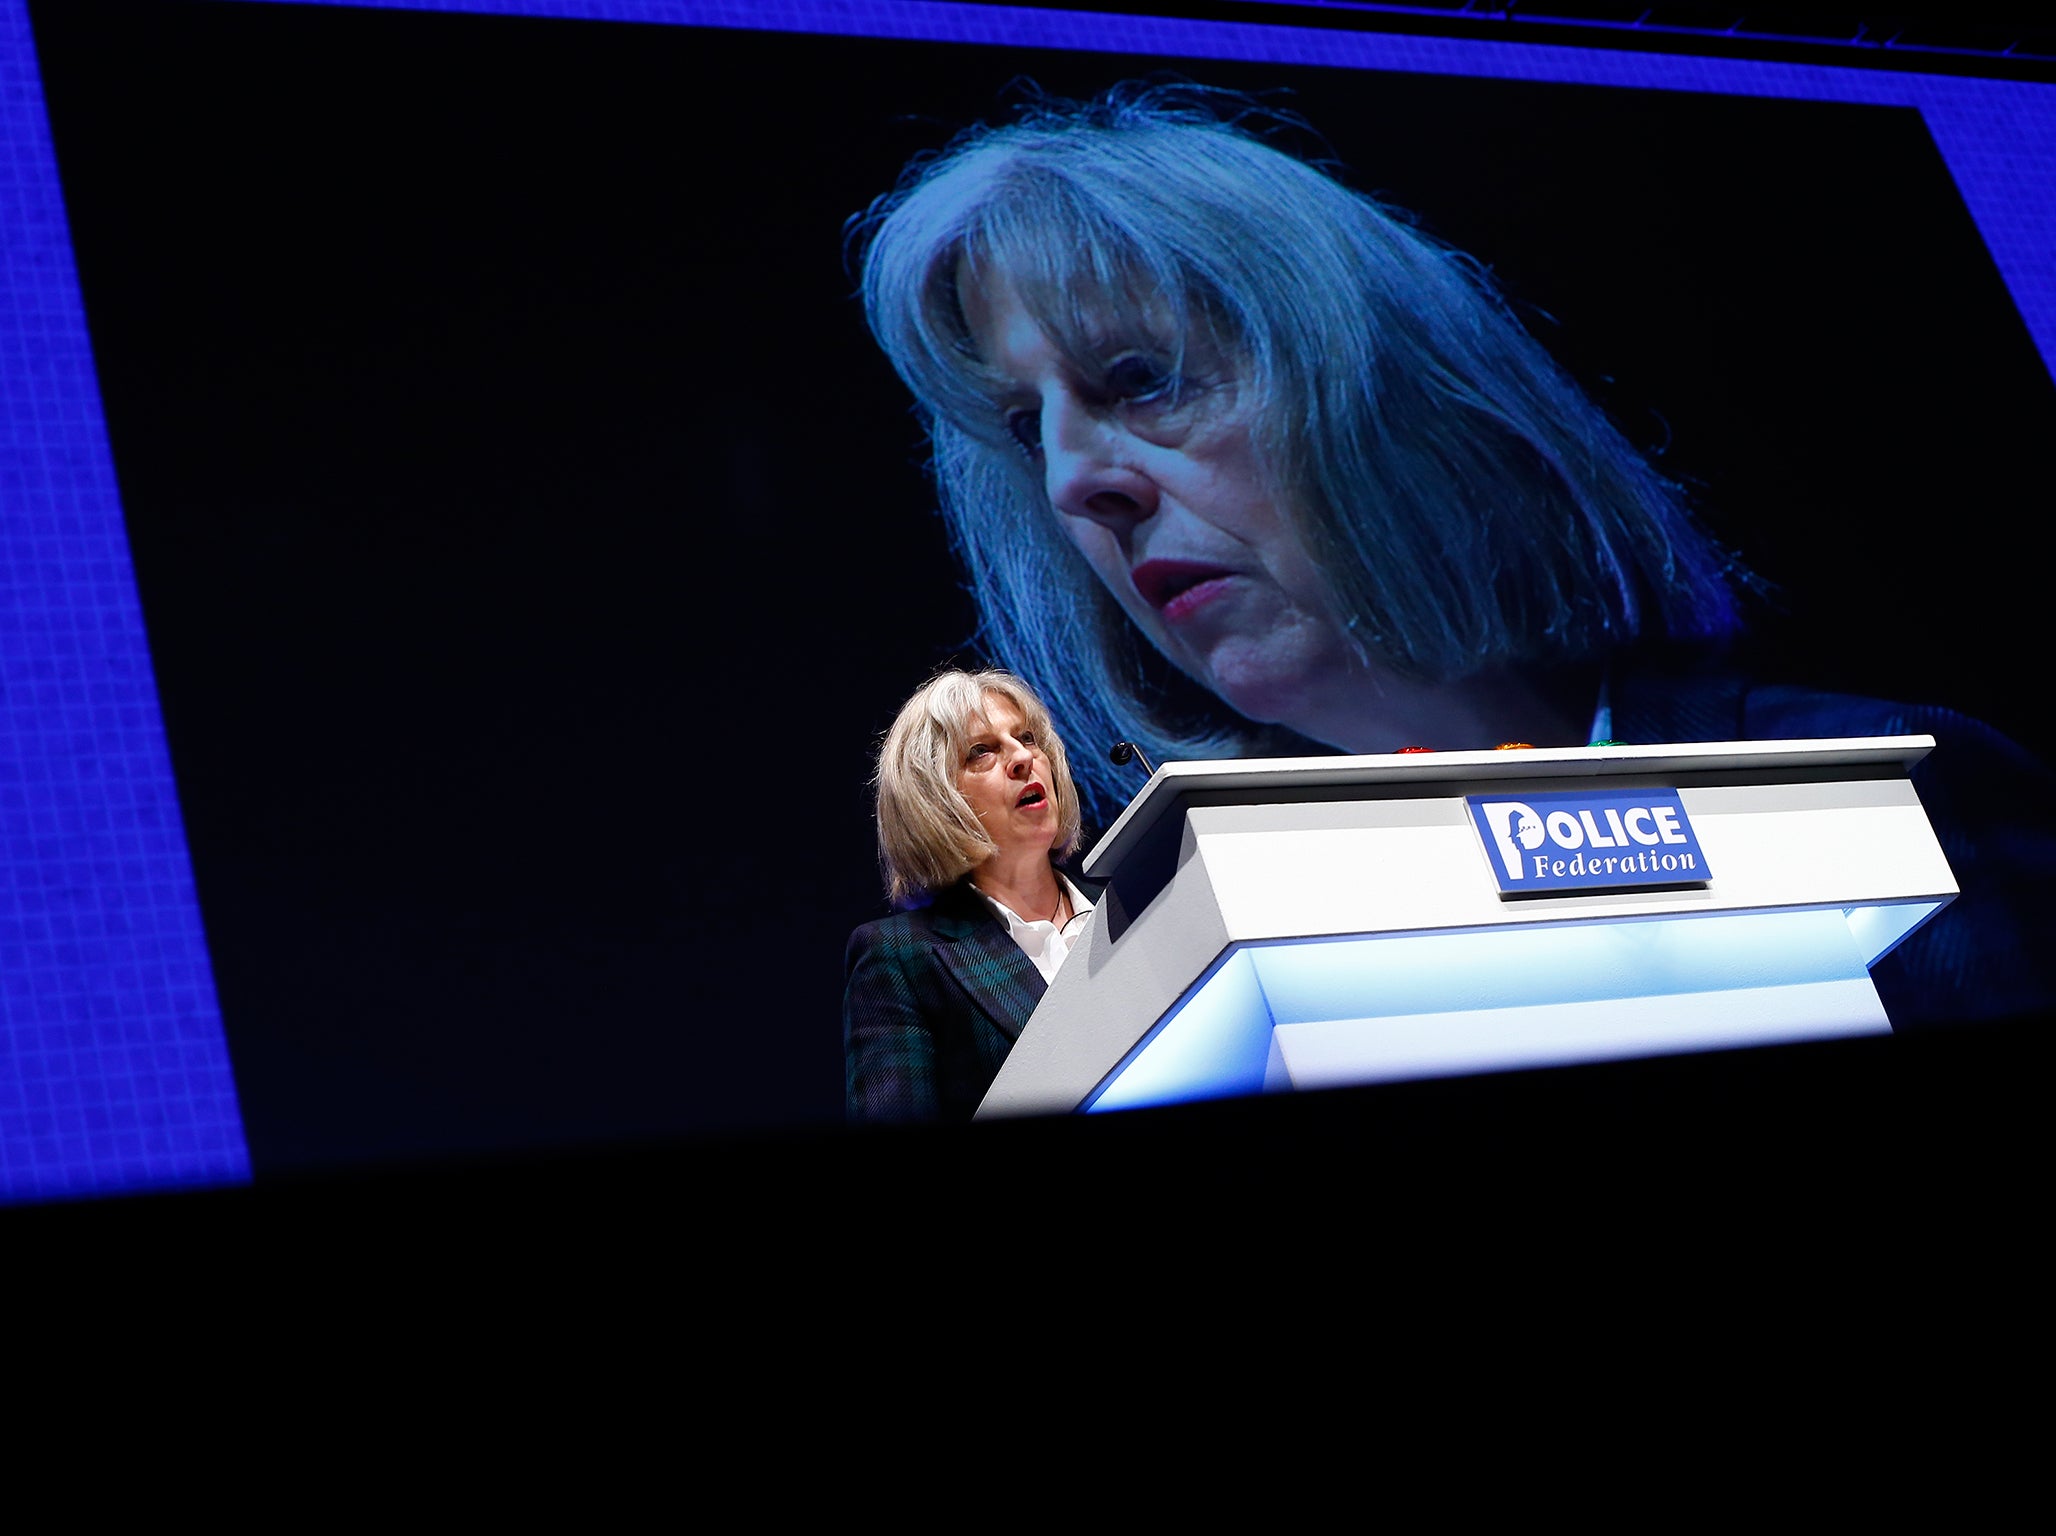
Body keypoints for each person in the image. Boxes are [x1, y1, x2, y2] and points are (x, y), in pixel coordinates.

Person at [849, 81, 2056, 1030]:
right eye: (1027, 429)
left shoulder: (1891, 794)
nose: (1074, 484)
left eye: (1139, 379)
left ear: (1392, 402)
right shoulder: (1173, 963)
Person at [845, 668, 1100, 1122]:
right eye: (981, 751)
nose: (1023, 757)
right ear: (937, 799)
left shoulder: (1131, 903)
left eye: (1026, 737)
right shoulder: (901, 958)